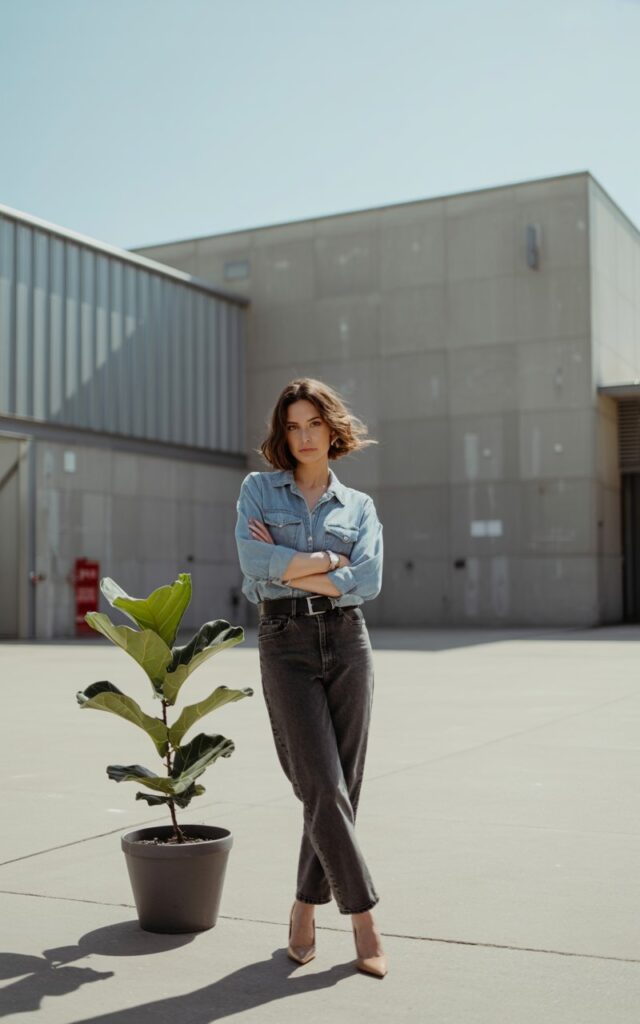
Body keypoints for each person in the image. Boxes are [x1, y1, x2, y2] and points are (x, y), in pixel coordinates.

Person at [234, 377, 387, 979]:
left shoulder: (359, 507)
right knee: (320, 786)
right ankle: (364, 917)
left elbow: (369, 581)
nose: (303, 437)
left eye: (313, 425)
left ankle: (303, 905)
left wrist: (289, 567)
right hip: (284, 645)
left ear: (332, 430)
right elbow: (253, 566)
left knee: (341, 790)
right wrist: (329, 562)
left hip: (348, 642)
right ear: (283, 432)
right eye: (293, 426)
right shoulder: (257, 490)